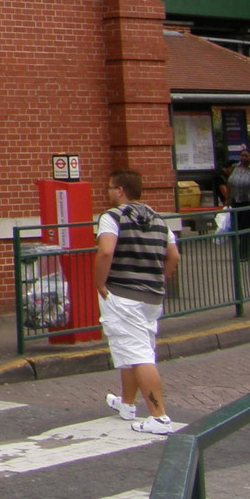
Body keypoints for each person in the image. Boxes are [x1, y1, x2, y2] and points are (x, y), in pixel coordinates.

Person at [95, 168, 180, 434]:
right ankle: (127, 404)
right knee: (135, 348)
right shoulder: (158, 218)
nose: (107, 192)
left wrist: (99, 283)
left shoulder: (112, 217)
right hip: (151, 297)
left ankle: (158, 416)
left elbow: (106, 250)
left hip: (122, 293)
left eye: (110, 188)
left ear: (120, 190)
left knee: (139, 354)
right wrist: (159, 278)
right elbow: (173, 256)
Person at [227, 148, 250, 260]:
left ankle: (243, 254)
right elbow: (229, 183)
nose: (243, 158)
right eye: (242, 156)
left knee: (246, 228)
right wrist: (228, 198)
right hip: (236, 202)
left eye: (246, 156)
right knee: (239, 229)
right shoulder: (235, 168)